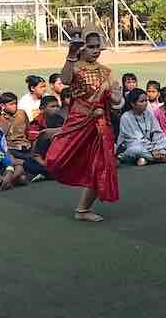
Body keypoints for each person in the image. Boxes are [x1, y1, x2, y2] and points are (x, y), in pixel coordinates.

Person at [46, 32, 123, 222]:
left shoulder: (107, 71)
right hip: (78, 123)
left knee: (102, 165)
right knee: (58, 159)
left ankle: (82, 209)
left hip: (100, 125)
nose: (96, 50)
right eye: (91, 46)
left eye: (98, 46)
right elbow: (64, 80)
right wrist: (71, 54)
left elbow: (116, 101)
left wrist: (115, 97)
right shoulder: (75, 67)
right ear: (81, 48)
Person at [117, 88, 166, 166]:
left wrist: (157, 148)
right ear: (133, 104)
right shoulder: (126, 117)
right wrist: (152, 150)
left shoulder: (148, 114)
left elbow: (158, 132)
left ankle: (146, 159)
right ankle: (164, 158)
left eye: (146, 101)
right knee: (136, 150)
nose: (145, 103)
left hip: (151, 146)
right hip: (134, 146)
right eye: (141, 101)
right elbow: (134, 140)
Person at [0, 91, 49, 182]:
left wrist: (33, 146)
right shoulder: (0, 118)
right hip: (12, 149)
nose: (15, 106)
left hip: (26, 146)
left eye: (15, 103)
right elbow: (2, 138)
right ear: (2, 106)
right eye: (11, 104)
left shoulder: (21, 113)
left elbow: (28, 130)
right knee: (25, 163)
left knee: (35, 159)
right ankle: (47, 173)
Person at [0, 127, 26, 191]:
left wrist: (9, 170)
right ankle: (6, 181)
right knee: (21, 178)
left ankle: (6, 181)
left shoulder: (0, 131)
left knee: (20, 169)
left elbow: (4, 153)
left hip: (2, 165)